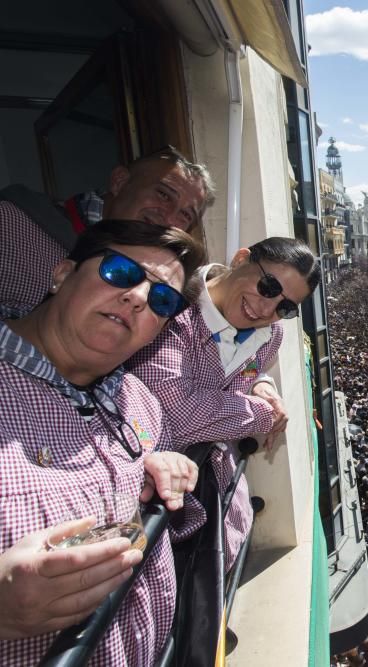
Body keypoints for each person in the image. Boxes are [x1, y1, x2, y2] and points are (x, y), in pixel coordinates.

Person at [0, 220, 204, 663]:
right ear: (62, 273)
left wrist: (167, 464)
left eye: (162, 300)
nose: (138, 297)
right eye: (120, 272)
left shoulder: (140, 403)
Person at [130, 237, 320, 569]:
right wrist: (260, 414)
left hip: (222, 513)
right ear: (241, 258)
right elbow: (180, 415)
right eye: (268, 285)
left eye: (284, 307)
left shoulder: (270, 336)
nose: (265, 309)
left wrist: (261, 384)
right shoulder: (172, 307)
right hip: (152, 513)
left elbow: (245, 376)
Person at [0, 146, 214, 313]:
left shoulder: (160, 289)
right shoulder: (12, 226)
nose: (169, 218)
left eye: (185, 215)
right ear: (119, 181)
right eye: (163, 195)